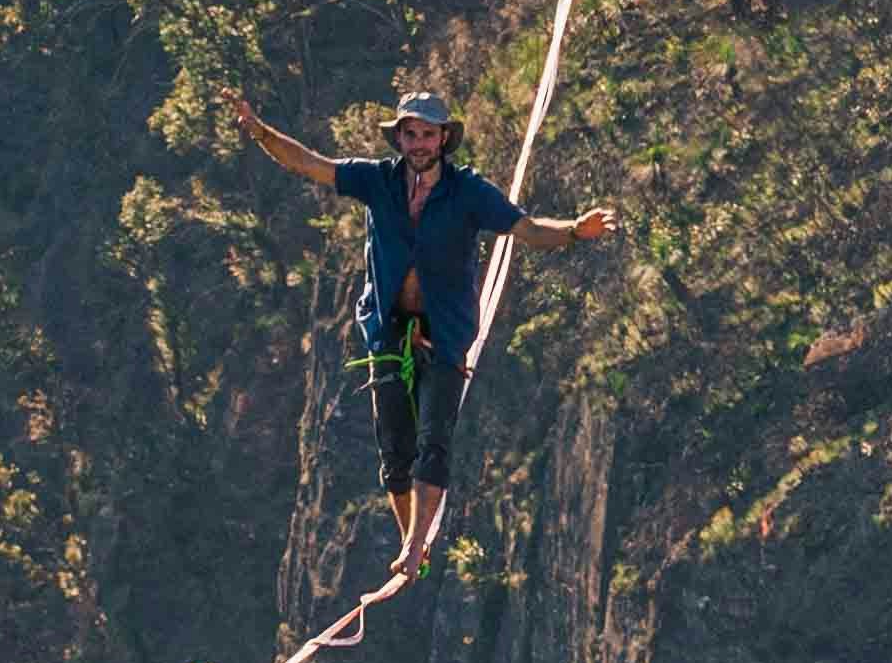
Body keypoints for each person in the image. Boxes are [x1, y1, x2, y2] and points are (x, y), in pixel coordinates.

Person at [223, 86, 620, 574]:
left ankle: (414, 547)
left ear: (443, 139)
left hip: (445, 328)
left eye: (427, 135)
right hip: (387, 325)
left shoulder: (468, 192)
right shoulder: (378, 182)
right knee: (394, 444)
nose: (418, 144)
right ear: (400, 139)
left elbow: (525, 228)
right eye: (410, 134)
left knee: (433, 437)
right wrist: (261, 134)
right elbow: (311, 164)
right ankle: (411, 540)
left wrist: (575, 231)